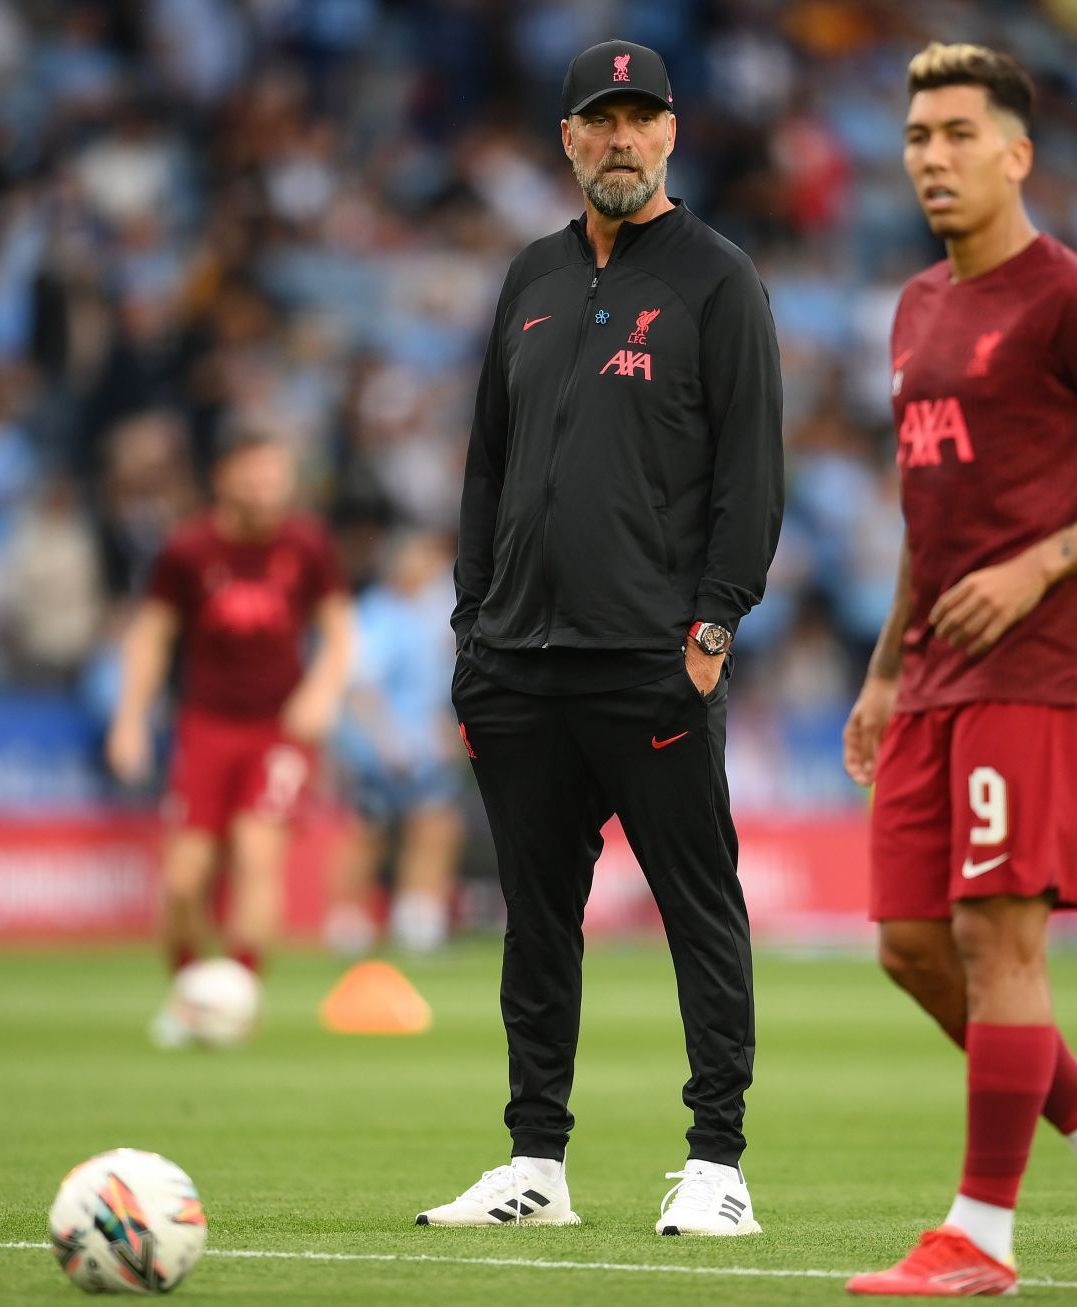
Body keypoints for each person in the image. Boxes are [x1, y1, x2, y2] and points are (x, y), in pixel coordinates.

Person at [841, 44, 1077, 1297]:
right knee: (907, 945)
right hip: (934, 671)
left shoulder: (1072, 299)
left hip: (1038, 665)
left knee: (1001, 946)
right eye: (916, 136)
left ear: (1016, 153)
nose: (931, 158)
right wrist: (886, 668)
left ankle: (979, 1238)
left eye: (955, 134)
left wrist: (1040, 566)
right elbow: (928, 513)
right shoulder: (916, 307)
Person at [417, 39, 783, 1237]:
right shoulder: (527, 275)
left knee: (698, 907)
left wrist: (713, 624)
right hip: (519, 663)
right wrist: (473, 630)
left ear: (672, 134)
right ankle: (536, 1161)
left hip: (650, 661)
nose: (620, 140)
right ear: (568, 140)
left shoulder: (719, 279)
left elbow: (751, 474)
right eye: (599, 121)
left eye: (641, 119)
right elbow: (486, 468)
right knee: (536, 917)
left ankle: (718, 1161)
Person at [106, 425, 353, 1047]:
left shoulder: (308, 544)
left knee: (254, 852)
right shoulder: (188, 551)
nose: (269, 487)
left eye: (278, 475)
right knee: (184, 880)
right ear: (226, 478)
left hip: (279, 727)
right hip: (207, 724)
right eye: (257, 474)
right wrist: (130, 718)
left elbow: (341, 633)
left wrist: (321, 693)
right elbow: (153, 637)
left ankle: (240, 994)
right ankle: (190, 994)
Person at [325, 531, 465, 957]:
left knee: (436, 825)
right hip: (380, 747)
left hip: (422, 745)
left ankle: (417, 915)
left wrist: (443, 729)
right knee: (370, 831)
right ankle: (347, 920)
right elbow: (361, 688)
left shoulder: (428, 615)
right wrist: (388, 741)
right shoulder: (377, 615)